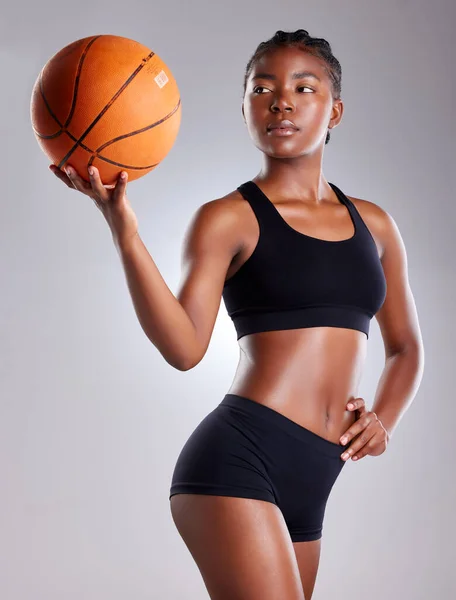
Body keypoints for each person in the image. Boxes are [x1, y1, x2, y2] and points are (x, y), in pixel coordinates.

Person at [50, 29, 425, 600]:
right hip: (240, 457)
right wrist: (124, 230)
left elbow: (406, 347)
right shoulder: (226, 218)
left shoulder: (374, 225)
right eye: (262, 88)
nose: (282, 101)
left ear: (335, 111)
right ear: (246, 108)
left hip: (317, 475)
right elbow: (184, 349)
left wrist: (386, 421)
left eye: (304, 87)